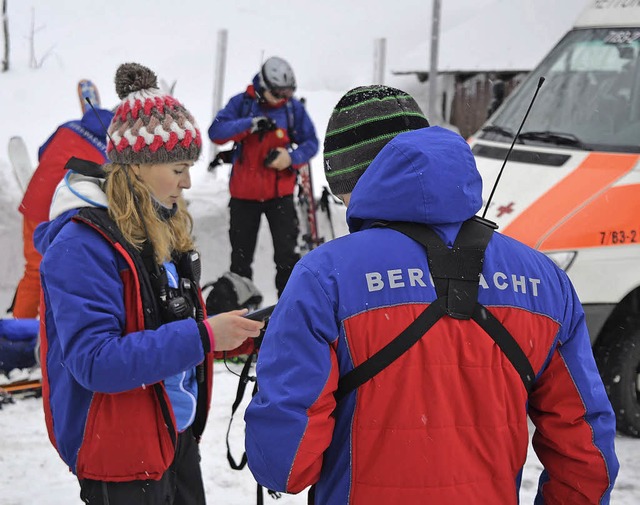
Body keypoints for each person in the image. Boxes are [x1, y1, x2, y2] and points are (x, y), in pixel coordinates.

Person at [244, 86, 619, 504]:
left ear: (361, 180)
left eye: (340, 195)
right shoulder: (545, 280)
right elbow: (585, 450)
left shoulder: (323, 276)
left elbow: (285, 465)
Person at [34, 62, 264, 505]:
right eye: (179, 166)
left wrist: (236, 336)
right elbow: (95, 361)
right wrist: (202, 335)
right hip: (118, 452)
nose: (188, 180)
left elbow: (164, 326)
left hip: (172, 437)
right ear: (138, 167)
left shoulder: (157, 228)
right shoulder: (81, 245)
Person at [208, 56, 318, 297]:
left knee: (287, 258)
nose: (282, 99)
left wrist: (290, 158)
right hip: (243, 197)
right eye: (278, 93)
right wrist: (250, 124)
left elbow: (311, 142)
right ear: (264, 87)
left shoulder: (291, 109)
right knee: (240, 259)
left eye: (287, 93)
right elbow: (216, 132)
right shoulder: (242, 103)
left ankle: (289, 308)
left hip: (280, 196)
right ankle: (240, 311)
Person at [12, 105, 114, 318]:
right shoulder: (109, 153)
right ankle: (32, 331)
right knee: (55, 274)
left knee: (33, 271)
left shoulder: (69, 127)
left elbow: (42, 152)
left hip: (35, 200)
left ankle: (23, 326)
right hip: (62, 211)